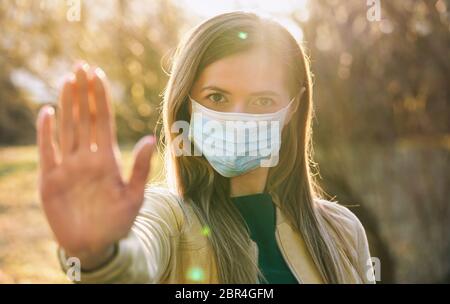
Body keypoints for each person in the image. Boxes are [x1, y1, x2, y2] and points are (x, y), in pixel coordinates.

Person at [37, 11, 375, 284]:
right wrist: (101, 255)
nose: (237, 117)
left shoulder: (342, 232)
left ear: (292, 108)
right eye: (217, 97)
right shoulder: (169, 220)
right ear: (187, 106)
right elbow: (135, 261)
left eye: (263, 100)